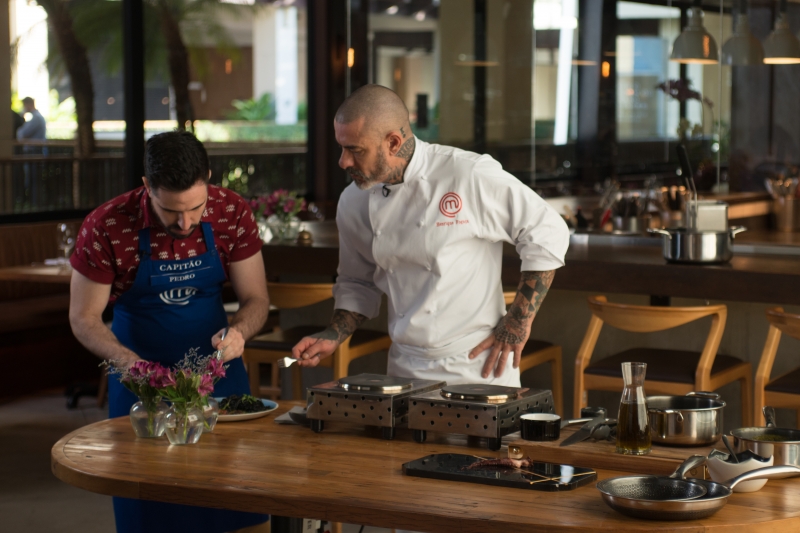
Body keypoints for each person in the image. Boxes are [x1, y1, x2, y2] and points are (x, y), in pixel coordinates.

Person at [291, 84, 569, 390]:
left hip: (477, 365)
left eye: (355, 150)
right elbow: (358, 281)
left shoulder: (466, 174)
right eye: (341, 148)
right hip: (402, 367)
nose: (343, 162)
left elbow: (547, 231)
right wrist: (334, 334)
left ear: (394, 142)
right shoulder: (354, 201)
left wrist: (517, 321)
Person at [68, 131, 270, 533]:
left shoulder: (231, 211)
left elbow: (256, 300)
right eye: (170, 211)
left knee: (236, 495)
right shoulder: (107, 224)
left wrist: (239, 333)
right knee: (149, 502)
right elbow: (84, 318)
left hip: (220, 374)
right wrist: (132, 365)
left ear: (209, 178)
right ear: (146, 187)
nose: (185, 222)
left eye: (196, 208)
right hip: (139, 382)